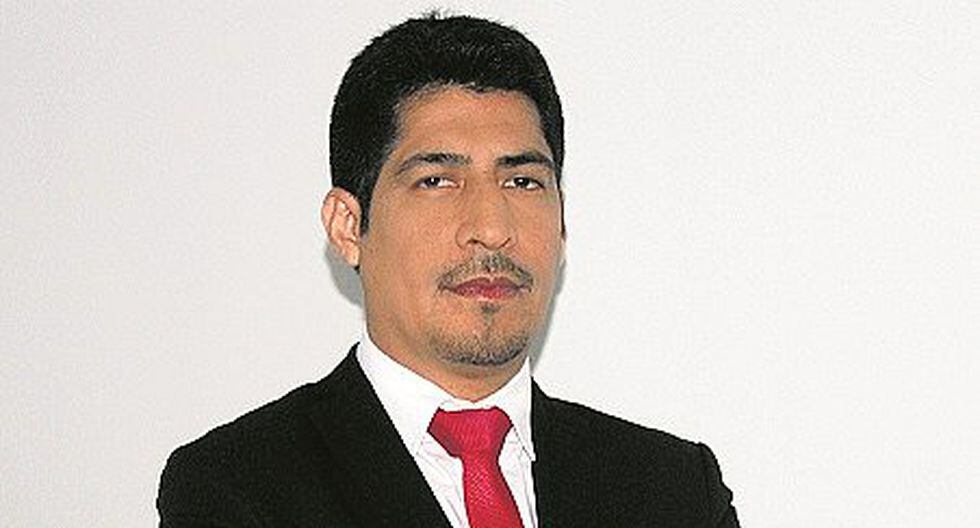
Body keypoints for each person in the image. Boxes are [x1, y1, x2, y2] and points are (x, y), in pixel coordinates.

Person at [157, 13, 739, 528]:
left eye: (522, 181)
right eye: (437, 180)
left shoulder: (674, 490)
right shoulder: (239, 488)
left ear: (561, 224)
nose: (491, 226)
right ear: (348, 226)